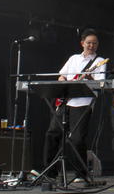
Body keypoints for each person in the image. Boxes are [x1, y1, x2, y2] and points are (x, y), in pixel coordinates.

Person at [43, 29, 107, 180]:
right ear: (82, 43)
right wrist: (62, 81)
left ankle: (81, 173)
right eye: (89, 43)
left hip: (83, 103)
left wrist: (90, 77)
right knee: (52, 133)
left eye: (95, 43)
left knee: (77, 139)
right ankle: (49, 172)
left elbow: (101, 83)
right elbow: (62, 76)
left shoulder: (100, 61)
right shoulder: (73, 58)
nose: (91, 45)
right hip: (66, 101)